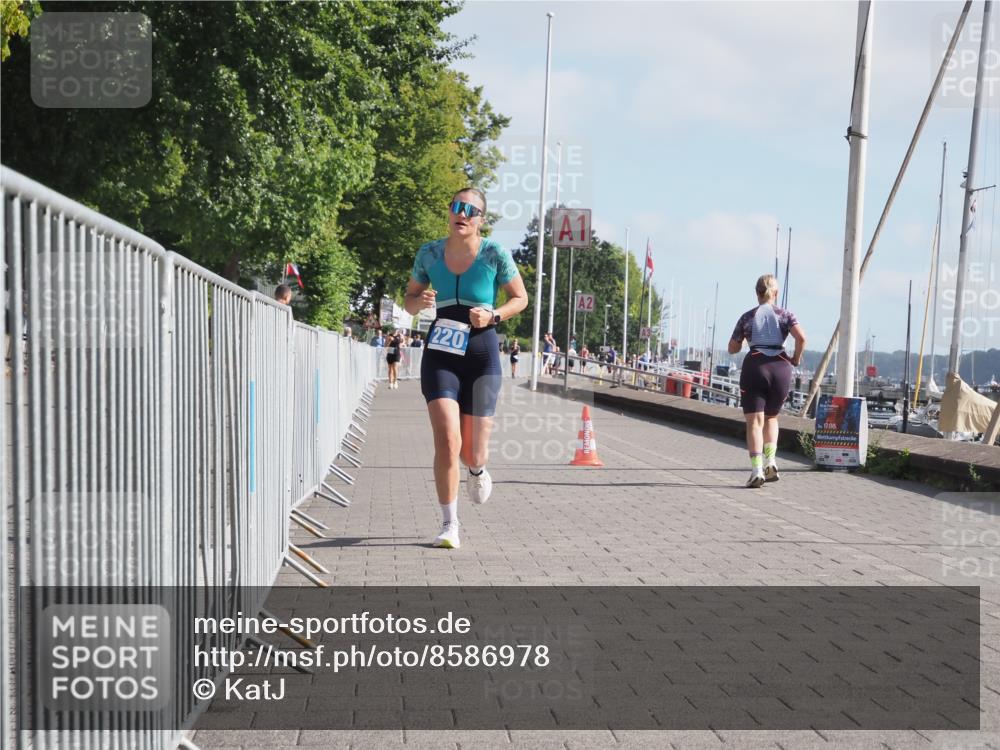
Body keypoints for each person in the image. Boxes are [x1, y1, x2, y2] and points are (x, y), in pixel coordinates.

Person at [404, 188, 529, 549]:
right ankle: (449, 524)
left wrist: (494, 314)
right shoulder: (429, 253)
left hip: (481, 352)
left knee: (471, 451)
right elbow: (409, 302)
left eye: (470, 210)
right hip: (441, 351)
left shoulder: (494, 253)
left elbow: (520, 298)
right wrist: (419, 300)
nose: (462, 214)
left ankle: (477, 470)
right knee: (446, 441)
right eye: (457, 207)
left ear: (480, 220)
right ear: (449, 212)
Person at [728, 273, 806, 488]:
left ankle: (756, 470)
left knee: (754, 422)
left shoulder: (747, 317)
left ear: (757, 294)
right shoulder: (786, 315)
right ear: (776, 293)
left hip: (755, 365)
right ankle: (771, 461)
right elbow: (801, 338)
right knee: (771, 418)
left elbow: (732, 347)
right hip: (781, 366)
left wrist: (746, 340)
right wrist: (795, 359)